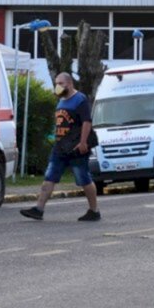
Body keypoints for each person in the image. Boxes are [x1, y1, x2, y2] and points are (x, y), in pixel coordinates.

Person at [21, 72, 101, 222]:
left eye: (61, 83)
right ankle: (39, 209)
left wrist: (83, 142)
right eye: (56, 83)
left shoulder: (80, 100)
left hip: (75, 146)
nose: (58, 87)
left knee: (83, 178)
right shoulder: (61, 101)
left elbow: (87, 122)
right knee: (49, 176)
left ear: (69, 83)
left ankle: (94, 210)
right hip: (60, 148)